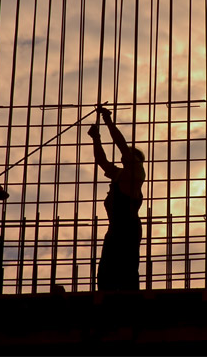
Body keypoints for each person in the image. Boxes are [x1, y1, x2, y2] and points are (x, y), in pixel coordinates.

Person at [88, 105, 145, 291]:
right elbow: (102, 162)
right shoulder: (121, 174)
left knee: (126, 271)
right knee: (106, 273)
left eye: (129, 155)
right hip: (116, 228)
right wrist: (96, 139)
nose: (124, 156)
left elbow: (121, 144)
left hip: (127, 228)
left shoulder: (137, 173)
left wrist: (108, 121)